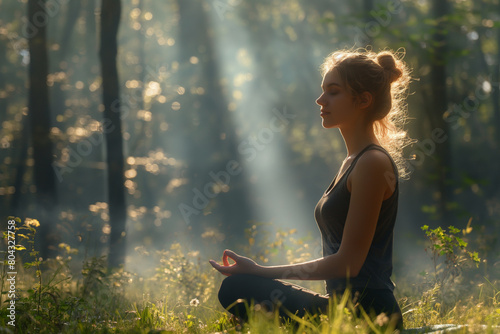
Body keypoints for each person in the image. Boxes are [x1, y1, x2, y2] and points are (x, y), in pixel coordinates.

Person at [209, 48, 413, 331]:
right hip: (339, 306)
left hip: (367, 315)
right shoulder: (353, 162)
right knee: (239, 289)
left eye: (333, 92)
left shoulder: (372, 163)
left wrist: (261, 272)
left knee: (238, 287)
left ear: (363, 99)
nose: (320, 100)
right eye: (323, 91)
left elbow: (348, 264)